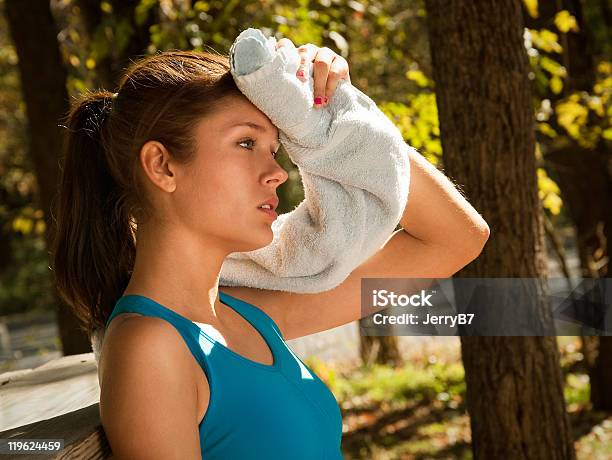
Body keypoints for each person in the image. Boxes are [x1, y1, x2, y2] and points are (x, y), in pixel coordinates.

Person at [50, 35, 489, 459]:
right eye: (246, 142)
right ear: (162, 166)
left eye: (277, 146)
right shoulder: (151, 346)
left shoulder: (248, 315)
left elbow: (457, 240)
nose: (278, 172)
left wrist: (335, 115)